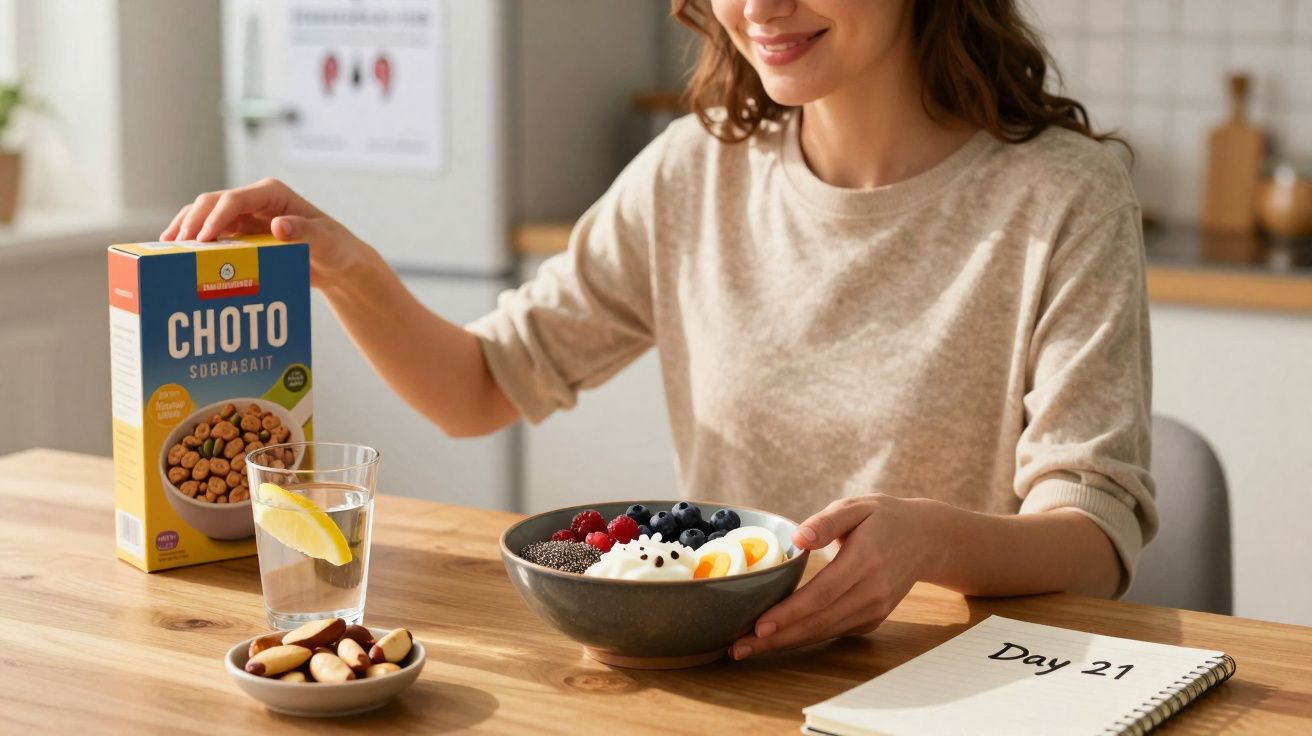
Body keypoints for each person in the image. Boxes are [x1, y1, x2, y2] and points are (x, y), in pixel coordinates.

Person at [162, 0, 1155, 662]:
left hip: (949, 684)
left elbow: (1095, 537)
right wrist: (343, 263)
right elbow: (479, 387)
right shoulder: (695, 171)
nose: (757, 7)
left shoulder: (1062, 194)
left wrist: (921, 539)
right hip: (714, 679)